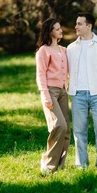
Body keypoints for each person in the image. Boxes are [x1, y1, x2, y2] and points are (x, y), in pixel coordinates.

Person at [67, 12, 97, 170]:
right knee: (79, 133)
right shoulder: (71, 48)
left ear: (89, 26)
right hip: (78, 95)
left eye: (79, 23)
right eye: (76, 23)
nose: (76, 27)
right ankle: (82, 166)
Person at [35, 18, 70, 175]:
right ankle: (48, 163)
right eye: (57, 29)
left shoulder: (63, 50)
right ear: (50, 32)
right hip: (50, 91)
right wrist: (45, 94)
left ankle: (59, 166)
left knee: (67, 130)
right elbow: (41, 74)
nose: (60, 31)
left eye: (60, 28)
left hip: (63, 92)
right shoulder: (43, 51)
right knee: (59, 125)